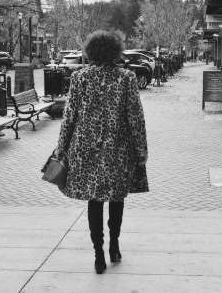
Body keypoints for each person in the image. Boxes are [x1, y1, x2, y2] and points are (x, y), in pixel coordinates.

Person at [53, 30, 148, 274]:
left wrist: (61, 148)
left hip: (86, 149)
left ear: (91, 51)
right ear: (116, 50)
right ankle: (114, 246)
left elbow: (69, 117)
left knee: (94, 201)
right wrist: (141, 150)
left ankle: (98, 255)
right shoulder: (126, 78)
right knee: (116, 199)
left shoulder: (80, 77)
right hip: (118, 149)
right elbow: (135, 118)